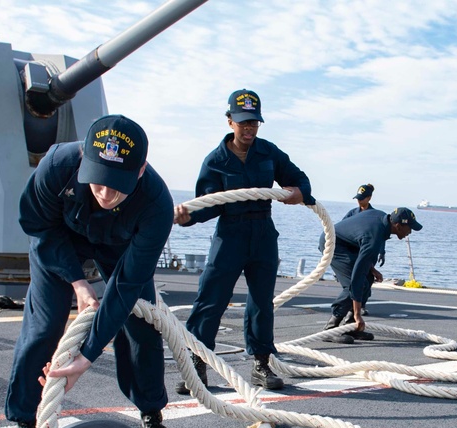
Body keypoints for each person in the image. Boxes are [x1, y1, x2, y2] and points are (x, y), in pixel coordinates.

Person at [5, 114, 186, 428]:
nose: (104, 193)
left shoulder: (156, 204)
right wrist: (77, 281)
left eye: (116, 184)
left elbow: (126, 285)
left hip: (118, 246)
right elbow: (37, 226)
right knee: (42, 328)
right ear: (85, 159)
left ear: (140, 171)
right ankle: (27, 424)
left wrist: (87, 355)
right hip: (59, 240)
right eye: (98, 181)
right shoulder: (57, 165)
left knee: (142, 328)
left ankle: (151, 415)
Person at [173, 89, 315, 392]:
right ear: (229, 122)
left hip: (263, 232)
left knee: (262, 301)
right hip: (230, 234)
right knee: (211, 299)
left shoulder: (269, 152)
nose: (249, 128)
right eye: (243, 122)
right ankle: (196, 364)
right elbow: (207, 204)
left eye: (254, 123)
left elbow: (300, 179)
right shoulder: (215, 160)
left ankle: (261, 363)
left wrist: (297, 194)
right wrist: (188, 216)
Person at [321, 207, 423, 343]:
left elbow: (361, 236)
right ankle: (330, 329)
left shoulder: (383, 219)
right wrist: (358, 314)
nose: (410, 232)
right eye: (409, 228)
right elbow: (357, 276)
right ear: (398, 226)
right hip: (333, 244)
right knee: (353, 284)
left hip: (348, 243)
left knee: (368, 278)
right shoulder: (374, 237)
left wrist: (372, 269)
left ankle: (350, 326)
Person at [341, 183, 384, 317]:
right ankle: (350, 308)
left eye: (363, 198)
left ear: (369, 198)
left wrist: (382, 251)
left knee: (369, 278)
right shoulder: (352, 213)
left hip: (368, 251)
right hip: (353, 252)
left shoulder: (374, 215)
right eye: (358, 198)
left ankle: (361, 305)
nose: (360, 200)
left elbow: (379, 235)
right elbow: (341, 229)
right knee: (355, 280)